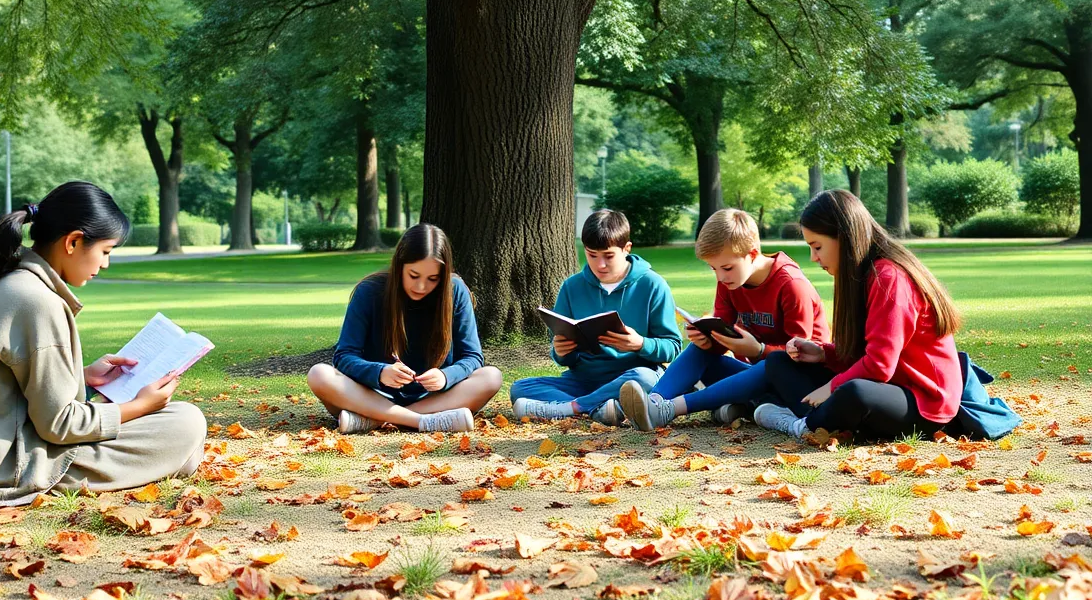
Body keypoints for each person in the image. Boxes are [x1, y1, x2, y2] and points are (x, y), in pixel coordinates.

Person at [0, 182, 207, 508]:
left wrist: (83, 377)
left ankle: (161, 458)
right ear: (73, 241)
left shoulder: (10, 282)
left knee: (180, 423)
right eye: (106, 251)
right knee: (185, 422)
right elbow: (59, 425)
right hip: (15, 470)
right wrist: (141, 406)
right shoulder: (37, 301)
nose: (106, 264)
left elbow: (17, 392)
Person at [754, 190, 963, 441]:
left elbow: (879, 366)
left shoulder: (888, 278)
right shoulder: (860, 275)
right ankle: (823, 421)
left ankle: (801, 425)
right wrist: (824, 354)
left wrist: (831, 387)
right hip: (886, 386)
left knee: (854, 392)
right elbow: (861, 354)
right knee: (780, 362)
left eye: (817, 246)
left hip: (921, 402)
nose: (813, 257)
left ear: (844, 237)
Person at [621, 208, 828, 431]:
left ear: (751, 254)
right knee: (701, 353)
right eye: (714, 268)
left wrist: (757, 350)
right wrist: (707, 338)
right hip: (757, 379)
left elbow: (795, 357)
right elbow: (722, 333)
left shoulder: (791, 285)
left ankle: (670, 409)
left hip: (802, 385)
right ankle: (654, 403)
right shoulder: (730, 282)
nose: (721, 277)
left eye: (727, 268)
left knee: (769, 365)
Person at [307, 223, 502, 434]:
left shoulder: (456, 291)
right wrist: (379, 372)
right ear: (399, 265)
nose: (421, 287)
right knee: (319, 374)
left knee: (491, 377)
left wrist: (446, 376)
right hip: (371, 394)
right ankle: (421, 421)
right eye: (413, 275)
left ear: (444, 275)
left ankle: (374, 420)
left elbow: (473, 357)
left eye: (433, 279)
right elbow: (344, 356)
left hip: (434, 398)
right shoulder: (370, 291)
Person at [508, 209, 681, 426]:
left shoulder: (653, 285)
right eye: (592, 255)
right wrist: (562, 353)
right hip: (584, 379)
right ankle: (600, 408)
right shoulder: (572, 286)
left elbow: (673, 347)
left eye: (608, 256)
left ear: (626, 249)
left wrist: (640, 344)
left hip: (631, 377)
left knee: (644, 380)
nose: (600, 265)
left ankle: (573, 408)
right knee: (520, 388)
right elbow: (565, 357)